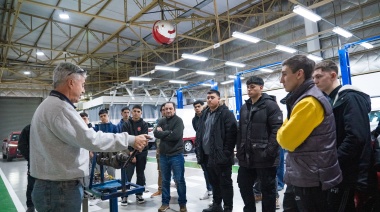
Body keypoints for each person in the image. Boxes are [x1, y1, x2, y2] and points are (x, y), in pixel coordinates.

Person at [29, 62, 148, 212]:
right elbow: (91, 139)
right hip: (59, 190)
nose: (84, 90)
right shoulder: (59, 109)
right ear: (71, 83)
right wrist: (131, 139)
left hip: (54, 186)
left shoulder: (50, 105)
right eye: (83, 84)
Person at [276, 55, 342, 211]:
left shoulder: (309, 102)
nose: (281, 80)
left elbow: (286, 141)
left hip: (311, 180)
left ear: (299, 74)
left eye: (285, 74)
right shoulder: (301, 99)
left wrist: (281, 131)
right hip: (305, 175)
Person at [313, 60, 374, 211]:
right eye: (313, 78)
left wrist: (332, 161)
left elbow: (356, 137)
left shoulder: (349, 98)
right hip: (338, 170)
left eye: (319, 77)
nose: (315, 81)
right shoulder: (331, 100)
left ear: (333, 75)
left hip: (349, 172)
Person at [236, 76, 283, 212]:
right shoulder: (245, 107)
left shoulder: (270, 105)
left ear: (261, 88)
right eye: (248, 87)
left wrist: (269, 152)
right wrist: (240, 150)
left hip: (265, 158)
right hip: (246, 157)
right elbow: (240, 131)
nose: (249, 90)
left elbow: (277, 130)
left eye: (253, 87)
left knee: (268, 191)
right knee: (243, 184)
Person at [196, 89, 238, 212]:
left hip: (221, 157)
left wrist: (225, 154)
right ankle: (216, 205)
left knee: (225, 184)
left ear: (218, 99)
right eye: (208, 97)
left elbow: (232, 136)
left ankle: (228, 208)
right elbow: (200, 132)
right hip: (207, 156)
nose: (209, 99)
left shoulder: (226, 114)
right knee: (214, 182)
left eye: (212, 97)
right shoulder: (205, 113)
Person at [154, 102, 187, 212]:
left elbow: (176, 136)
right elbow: (155, 133)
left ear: (174, 109)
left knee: (179, 180)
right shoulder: (161, 121)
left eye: (170, 109)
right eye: (166, 109)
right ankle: (165, 203)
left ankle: (182, 204)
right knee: (165, 180)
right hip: (163, 156)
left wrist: (163, 133)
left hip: (176, 155)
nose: (168, 111)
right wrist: (168, 133)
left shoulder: (178, 121)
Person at [120, 105, 149, 206]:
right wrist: (130, 152)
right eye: (134, 111)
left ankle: (139, 194)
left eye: (138, 111)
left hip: (142, 153)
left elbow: (144, 140)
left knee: (140, 174)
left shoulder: (144, 124)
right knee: (128, 175)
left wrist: (136, 152)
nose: (136, 113)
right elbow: (124, 140)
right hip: (129, 154)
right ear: (131, 112)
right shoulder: (126, 124)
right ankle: (124, 195)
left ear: (141, 113)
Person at [192, 100, 213, 201]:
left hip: (210, 149)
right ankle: (209, 190)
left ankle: (215, 192)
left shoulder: (208, 116)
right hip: (201, 150)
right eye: (195, 107)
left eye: (198, 106)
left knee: (213, 171)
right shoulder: (194, 120)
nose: (197, 108)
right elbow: (198, 133)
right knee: (205, 171)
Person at [93, 108, 119, 178]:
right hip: (100, 154)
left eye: (104, 115)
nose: (103, 117)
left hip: (112, 154)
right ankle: (101, 188)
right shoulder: (96, 128)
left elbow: (117, 140)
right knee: (100, 175)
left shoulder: (114, 127)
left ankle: (113, 188)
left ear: (108, 115)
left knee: (112, 175)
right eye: (101, 116)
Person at [18, 124, 35, 212]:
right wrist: (30, 157)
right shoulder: (28, 128)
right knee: (32, 184)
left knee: (32, 185)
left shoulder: (28, 128)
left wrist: (30, 158)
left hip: (34, 162)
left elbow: (21, 145)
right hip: (37, 162)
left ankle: (31, 206)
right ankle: (31, 206)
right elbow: (21, 145)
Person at [151, 103, 166, 198]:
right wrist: (158, 148)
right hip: (160, 151)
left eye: (168, 109)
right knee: (160, 171)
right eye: (163, 109)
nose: (166, 111)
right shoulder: (158, 122)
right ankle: (160, 190)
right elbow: (156, 135)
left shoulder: (175, 121)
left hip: (173, 151)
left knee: (176, 173)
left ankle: (178, 189)